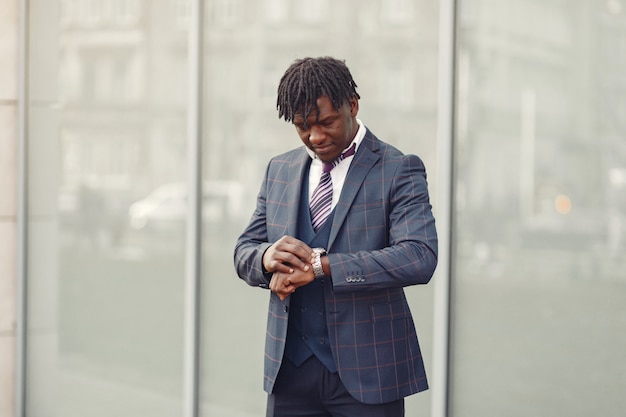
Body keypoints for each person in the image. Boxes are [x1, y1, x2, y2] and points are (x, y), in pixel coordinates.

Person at [234, 56, 438, 417]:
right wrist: (267, 258)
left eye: (326, 122)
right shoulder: (279, 169)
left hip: (369, 376)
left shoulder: (398, 168)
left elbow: (419, 256)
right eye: (302, 127)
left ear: (352, 105)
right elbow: (244, 251)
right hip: (290, 373)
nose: (315, 137)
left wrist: (322, 266)